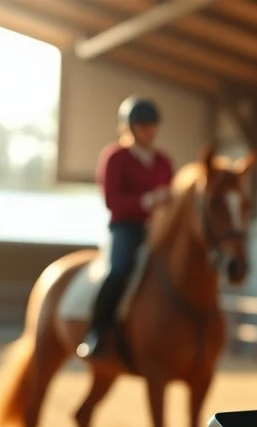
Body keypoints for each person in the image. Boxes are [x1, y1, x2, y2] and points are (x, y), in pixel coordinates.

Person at [77, 95, 174, 361]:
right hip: (126, 228)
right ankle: (97, 331)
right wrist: (147, 200)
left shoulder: (164, 161)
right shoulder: (115, 157)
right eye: (143, 126)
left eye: (152, 125)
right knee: (119, 270)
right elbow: (113, 201)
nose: (149, 131)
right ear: (128, 128)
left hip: (159, 229)